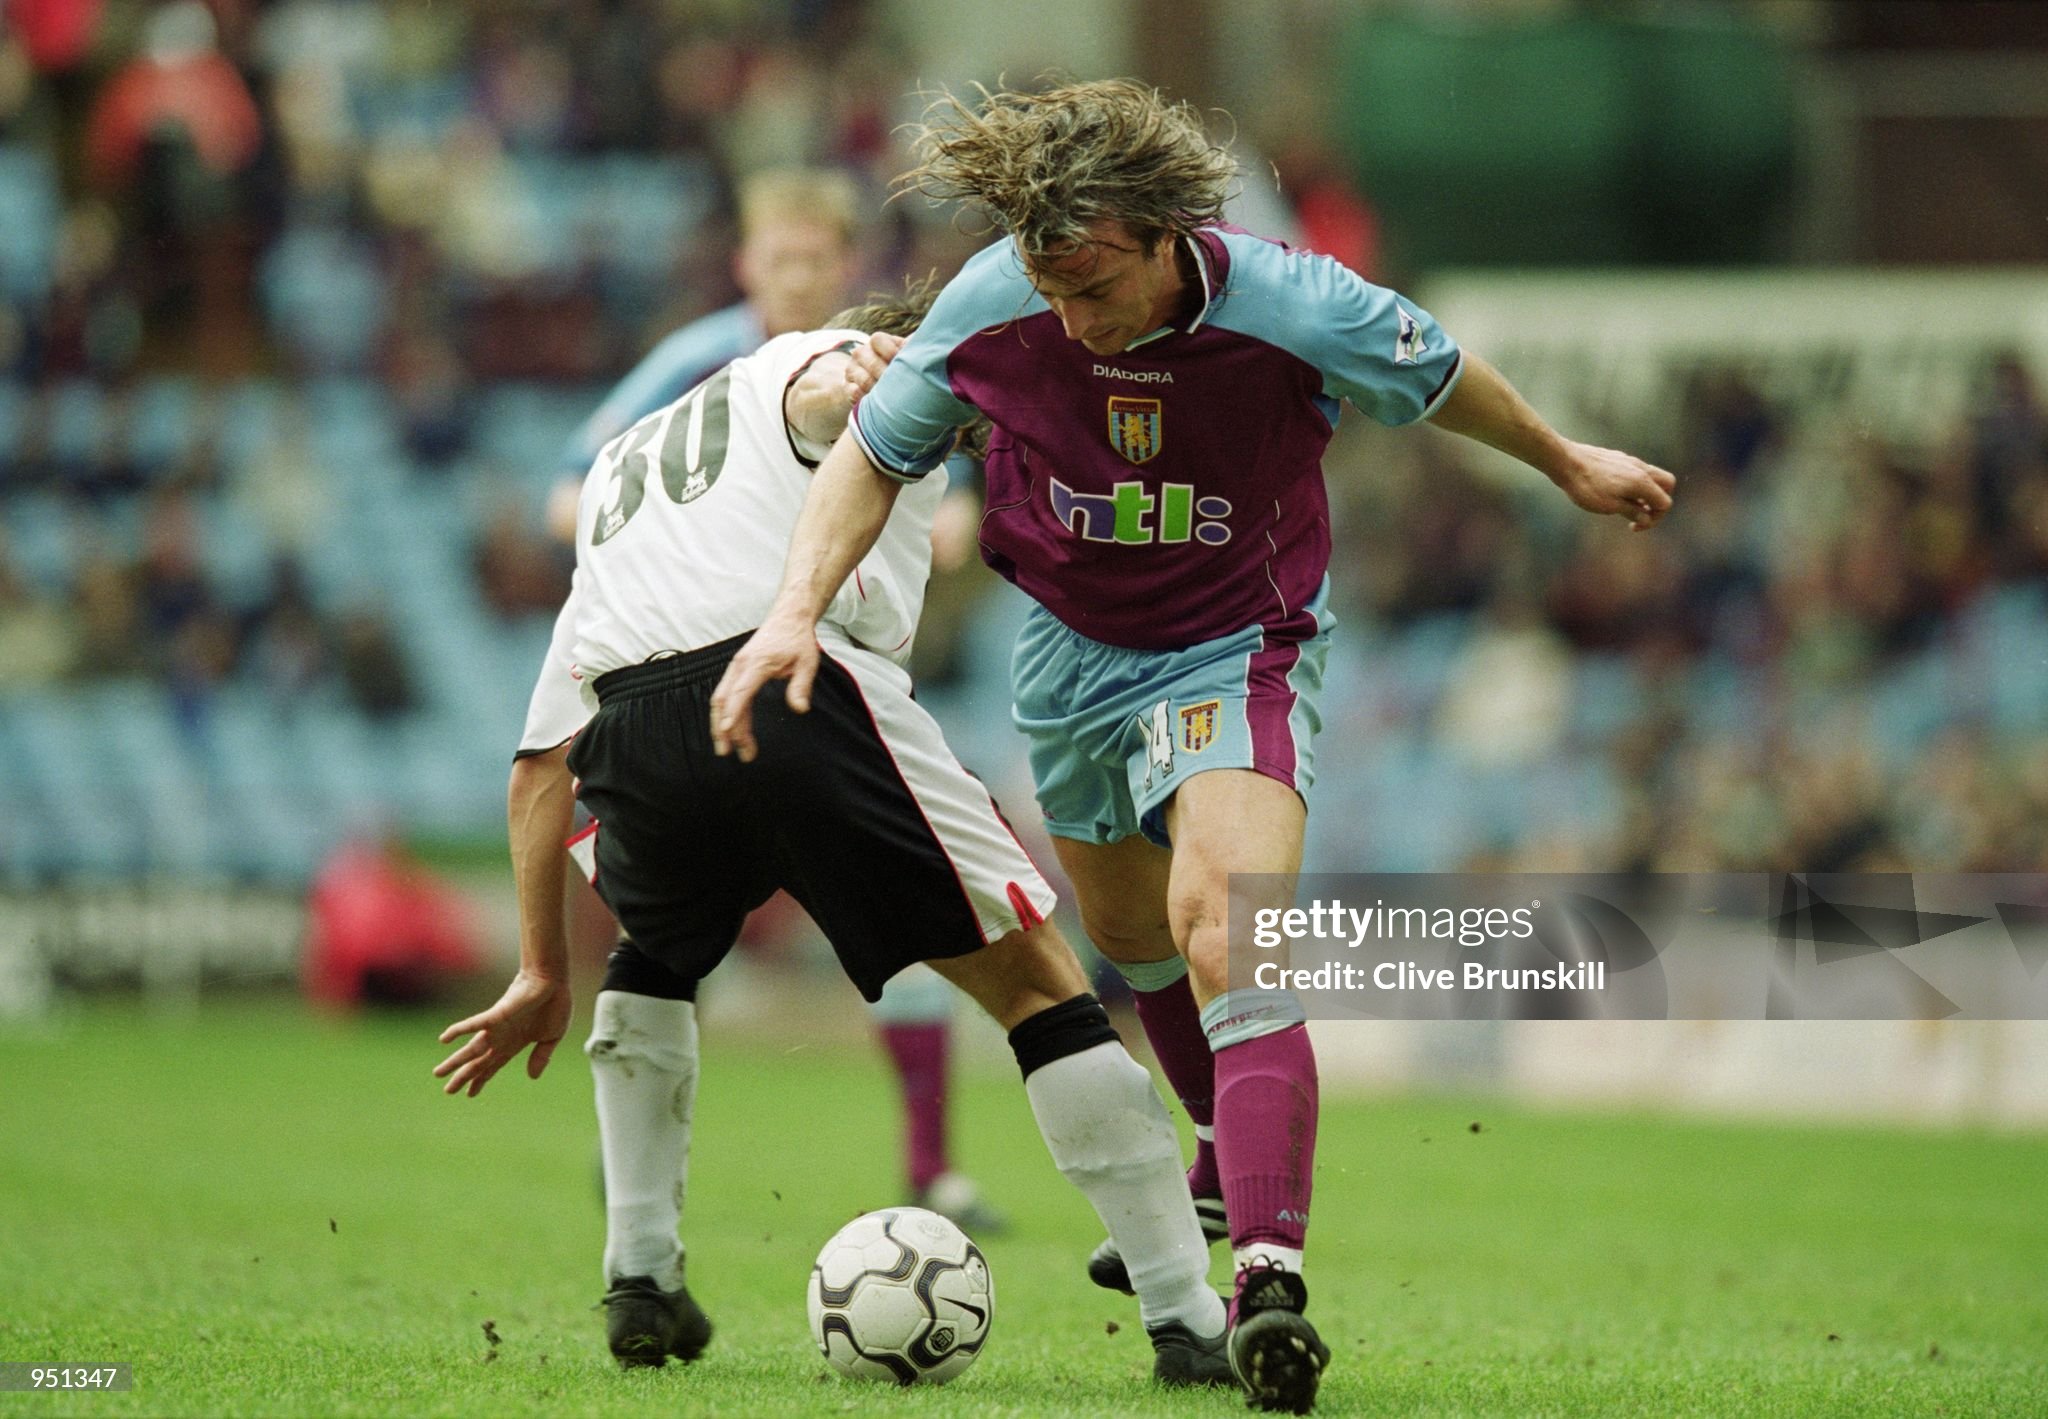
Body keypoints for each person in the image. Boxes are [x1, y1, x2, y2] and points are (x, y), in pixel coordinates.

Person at [707, 79, 1677, 1415]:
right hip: (1066, 650)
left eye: (1094, 285)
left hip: (1235, 642)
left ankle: (1268, 1280)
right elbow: (871, 456)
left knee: (1223, 924)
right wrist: (791, 614)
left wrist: (1563, 460)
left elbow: (1439, 371)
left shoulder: (1291, 300)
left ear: (1165, 235)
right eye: (1050, 287)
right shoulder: (994, 301)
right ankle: (1219, 1146)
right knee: (1131, 940)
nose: (1069, 317)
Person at [433, 285, 1236, 1389]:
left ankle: (640, 1277)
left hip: (632, 726)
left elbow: (538, 765)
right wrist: (864, 374)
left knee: (653, 955)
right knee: (1037, 982)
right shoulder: (847, 363)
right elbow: (821, 395)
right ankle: (1186, 1315)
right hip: (793, 687)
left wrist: (539, 966)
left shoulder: (630, 469)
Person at [553, 165, 1000, 1227]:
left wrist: (951, 522)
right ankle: (632, 1160)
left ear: (844, 264)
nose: (798, 276)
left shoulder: (882, 364)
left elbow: (961, 506)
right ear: (746, 262)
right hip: (702, 672)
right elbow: (570, 492)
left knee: (910, 917)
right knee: (673, 929)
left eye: (816, 258)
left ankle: (930, 1163)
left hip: (843, 669)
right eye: (780, 258)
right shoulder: (695, 363)